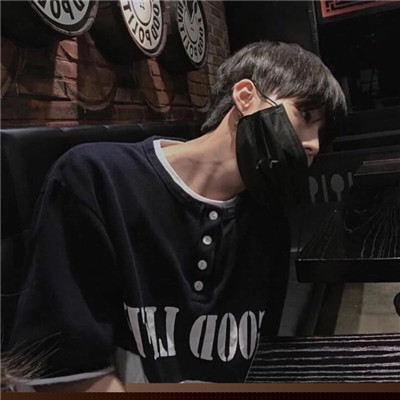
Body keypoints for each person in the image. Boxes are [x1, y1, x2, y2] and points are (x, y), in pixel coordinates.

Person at [5, 41, 346, 391]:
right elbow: (63, 372)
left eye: (321, 134)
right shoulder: (97, 179)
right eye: (305, 116)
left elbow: (257, 357)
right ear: (245, 96)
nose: (314, 145)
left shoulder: (269, 221)